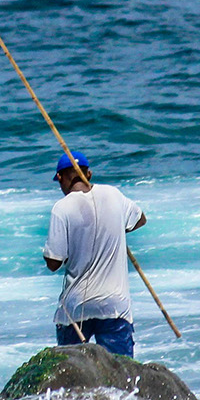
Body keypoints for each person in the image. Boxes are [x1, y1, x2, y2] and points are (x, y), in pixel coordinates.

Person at [43, 151, 146, 357]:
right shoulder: (114, 194)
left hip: (76, 306)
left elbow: (54, 262)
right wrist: (113, 229)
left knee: (70, 372)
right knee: (121, 372)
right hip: (114, 305)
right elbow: (140, 219)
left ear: (61, 178)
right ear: (88, 174)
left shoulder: (61, 208)